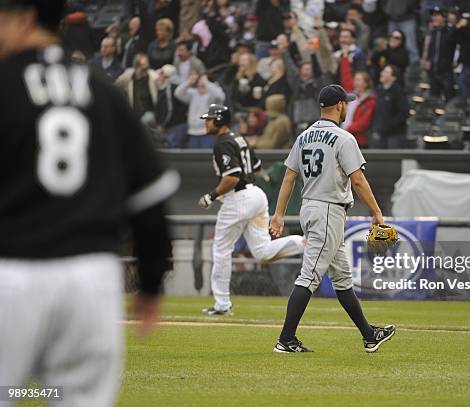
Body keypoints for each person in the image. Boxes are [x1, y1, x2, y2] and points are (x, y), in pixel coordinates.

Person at [0, 1, 179, 405]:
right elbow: (151, 198)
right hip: (90, 281)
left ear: (25, 18)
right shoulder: (102, 90)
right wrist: (151, 282)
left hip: (10, 274)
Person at [269, 84, 395, 353]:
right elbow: (358, 179)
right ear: (339, 105)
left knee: (342, 279)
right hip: (328, 210)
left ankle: (369, 334)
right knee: (309, 276)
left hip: (311, 208)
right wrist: (376, 211)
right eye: (346, 103)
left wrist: (279, 214)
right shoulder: (343, 138)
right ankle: (286, 339)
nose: (347, 106)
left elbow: (289, 177)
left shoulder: (303, 137)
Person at [198, 104, 304, 315]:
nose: (206, 122)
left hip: (238, 198)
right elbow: (255, 167)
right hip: (255, 195)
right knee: (262, 251)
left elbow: (231, 177)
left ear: (219, 120)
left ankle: (222, 305)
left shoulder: (223, 143)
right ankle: (307, 243)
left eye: (209, 119)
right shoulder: (239, 138)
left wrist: (212, 195)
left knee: (221, 249)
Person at [175, 73, 226, 148]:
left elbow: (220, 96)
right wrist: (189, 81)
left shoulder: (213, 94)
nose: (201, 83)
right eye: (200, 81)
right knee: (194, 158)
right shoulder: (193, 94)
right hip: (193, 133)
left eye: (204, 81)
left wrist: (206, 83)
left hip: (208, 134)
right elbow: (178, 93)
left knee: (206, 158)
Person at [371, 65, 408, 148]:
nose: (382, 73)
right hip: (380, 133)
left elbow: (404, 112)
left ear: (393, 77)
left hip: (395, 134)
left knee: (393, 159)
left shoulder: (398, 91)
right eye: (383, 71)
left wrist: (390, 124)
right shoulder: (378, 90)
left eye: (386, 72)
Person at [342, 71, 377, 148]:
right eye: (355, 80)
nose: (355, 83)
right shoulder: (351, 98)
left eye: (358, 80)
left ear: (366, 84)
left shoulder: (370, 101)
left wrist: (347, 129)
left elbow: (364, 122)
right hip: (346, 137)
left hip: (359, 140)